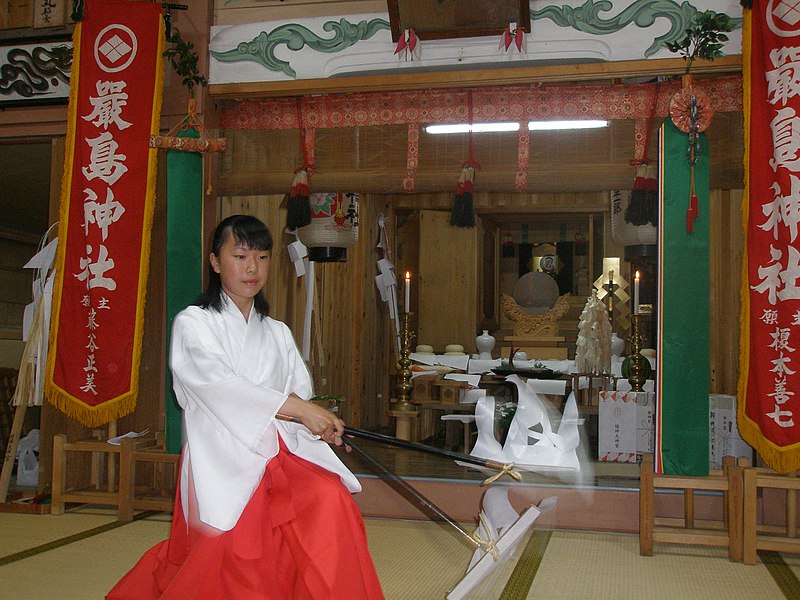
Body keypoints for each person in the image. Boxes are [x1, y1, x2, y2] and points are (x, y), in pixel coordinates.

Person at [107, 214, 384, 599]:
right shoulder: (194, 323)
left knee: (329, 501)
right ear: (215, 262)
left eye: (262, 257)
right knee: (239, 553)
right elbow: (218, 385)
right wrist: (300, 409)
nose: (252, 268)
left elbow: (297, 398)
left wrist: (315, 422)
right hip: (221, 458)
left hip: (279, 454)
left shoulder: (277, 332)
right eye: (239, 256)